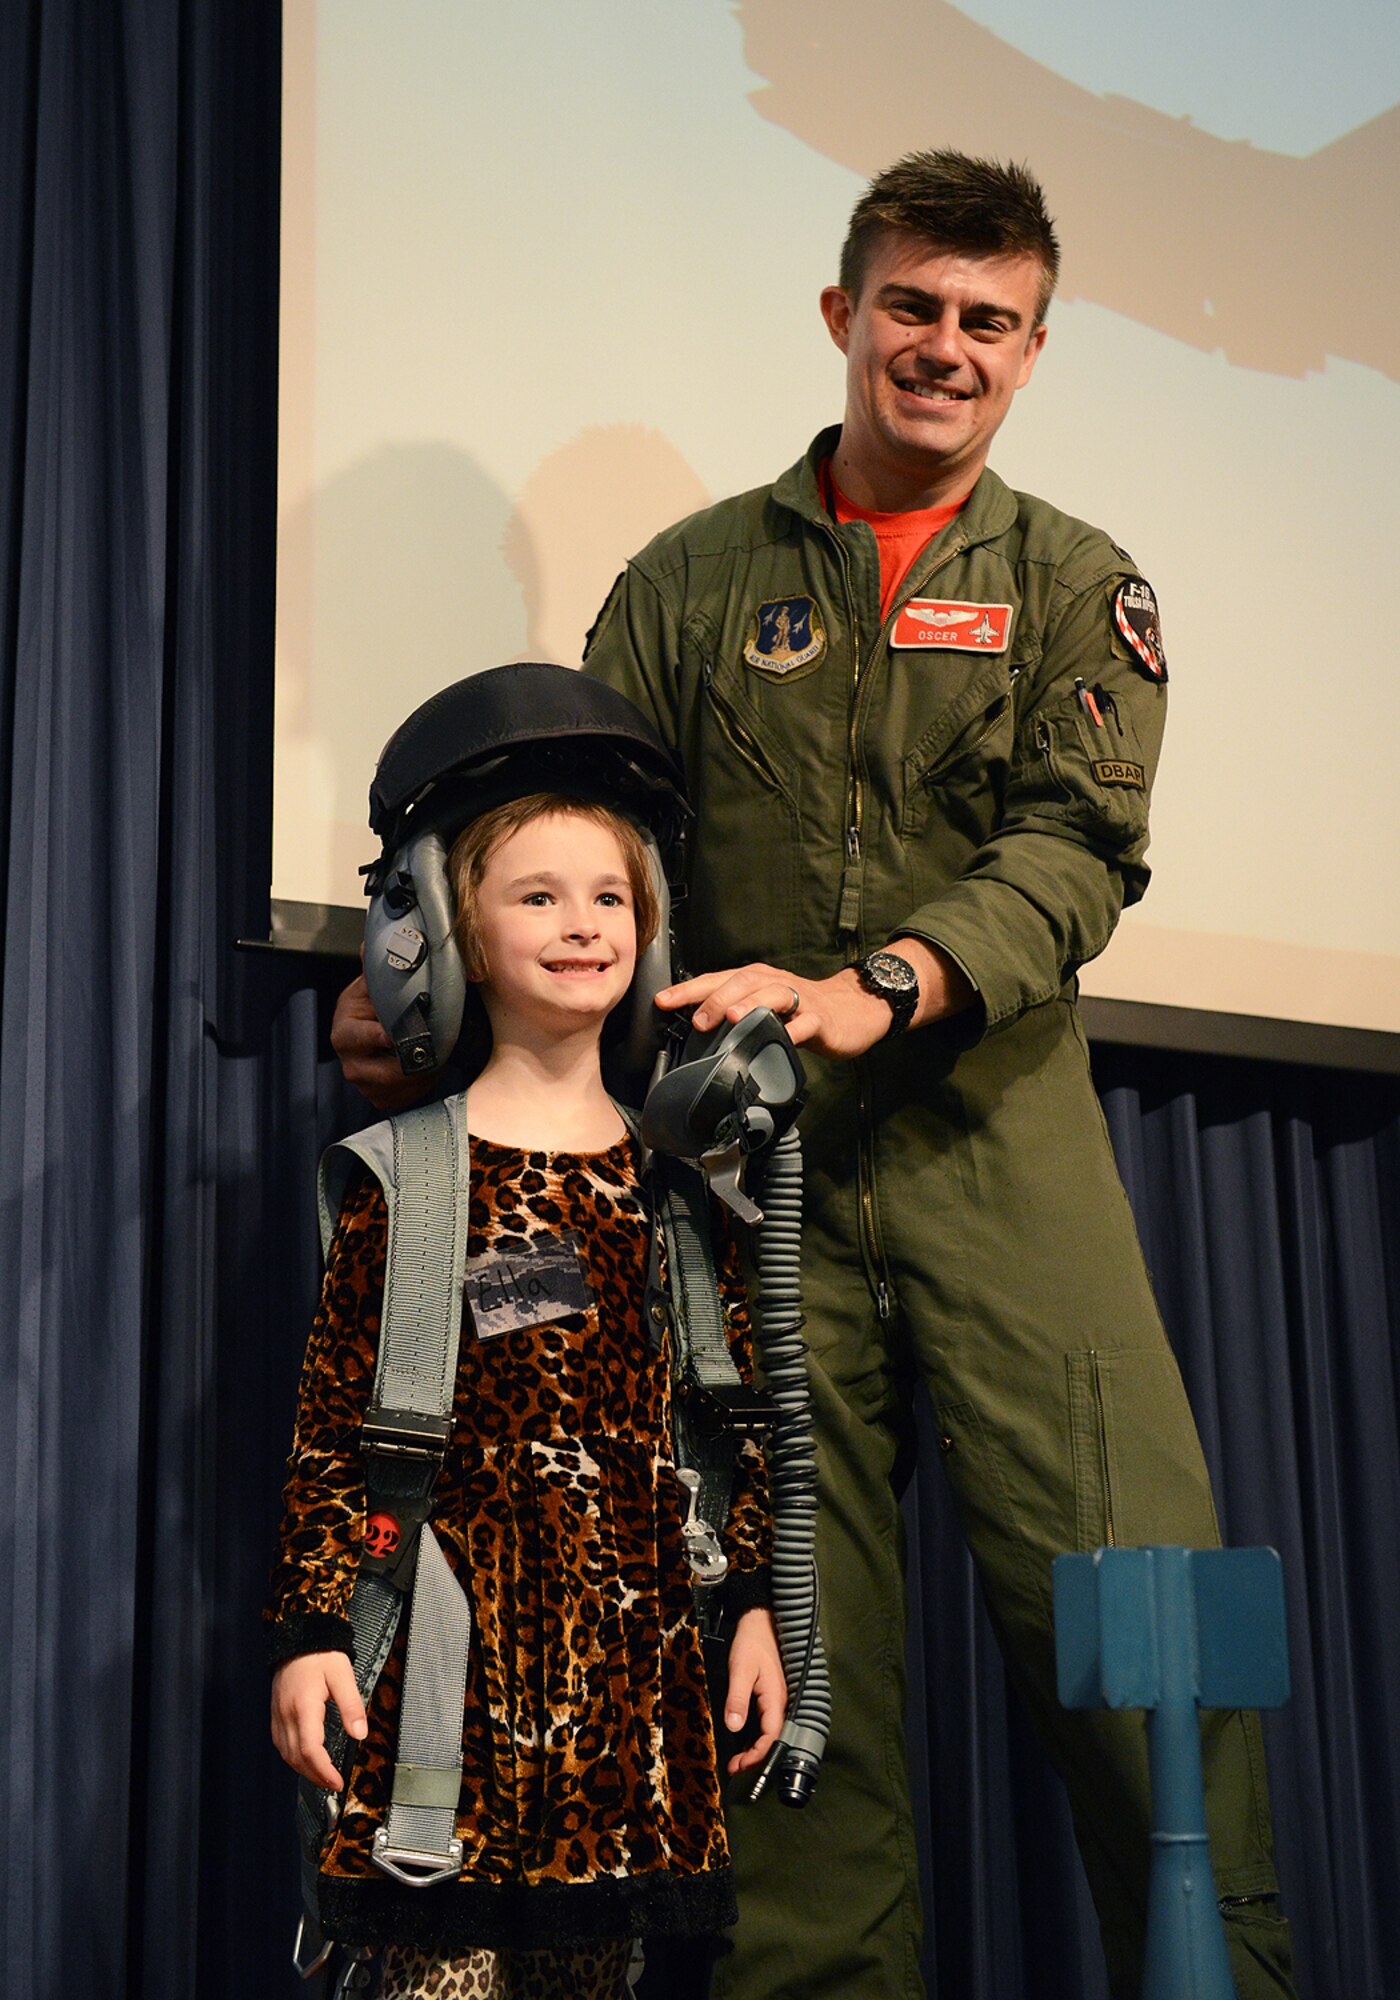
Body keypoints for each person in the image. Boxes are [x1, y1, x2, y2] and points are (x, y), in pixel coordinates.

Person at [332, 154, 1298, 1999]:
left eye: (987, 323)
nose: (946, 349)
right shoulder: (693, 586)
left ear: (1031, 351)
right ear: (846, 314)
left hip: (999, 1168)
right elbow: (575, 825)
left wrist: (884, 981)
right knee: (788, 1682)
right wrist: (430, 979)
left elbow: (1080, 853)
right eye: (915, 308)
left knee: (1146, 1637)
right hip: (737, 1191)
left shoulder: (1083, 585)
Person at [272, 782, 786, 2000]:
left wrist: (752, 1602)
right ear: (458, 935)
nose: (582, 922)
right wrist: (310, 1631)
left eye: (609, 896)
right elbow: (332, 1431)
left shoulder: (676, 1188)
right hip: (452, 1659)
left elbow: (726, 1417)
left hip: (626, 1670)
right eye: (538, 895)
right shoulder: (410, 1174)